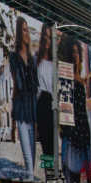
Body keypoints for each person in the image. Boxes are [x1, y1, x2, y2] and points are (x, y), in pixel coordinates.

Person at [60, 38, 91, 183]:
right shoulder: (66, 77)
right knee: (70, 172)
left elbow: (83, 105)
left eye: (77, 52)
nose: (75, 55)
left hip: (83, 128)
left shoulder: (81, 79)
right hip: (72, 129)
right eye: (72, 52)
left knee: (82, 174)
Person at [9, 16, 39, 181]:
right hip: (21, 110)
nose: (27, 34)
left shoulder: (33, 59)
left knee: (33, 159)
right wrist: (13, 124)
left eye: (28, 30)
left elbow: (36, 88)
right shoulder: (14, 58)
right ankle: (30, 181)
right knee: (28, 158)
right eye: (25, 30)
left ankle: (31, 182)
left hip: (32, 110)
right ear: (20, 33)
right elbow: (14, 87)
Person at [35, 23, 56, 160]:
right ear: (42, 37)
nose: (47, 39)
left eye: (50, 37)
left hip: (54, 105)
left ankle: (53, 176)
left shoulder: (56, 62)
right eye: (45, 36)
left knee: (53, 145)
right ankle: (48, 176)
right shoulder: (36, 59)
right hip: (42, 101)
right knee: (45, 145)